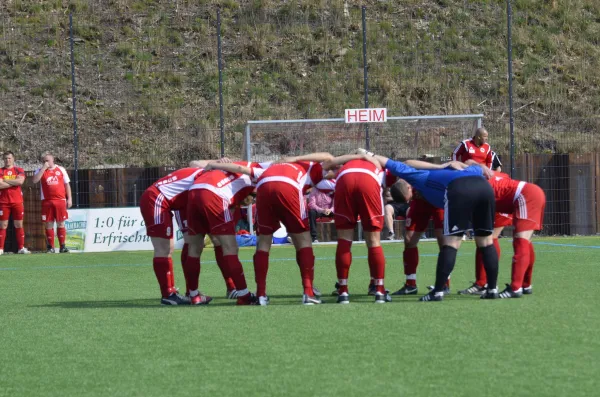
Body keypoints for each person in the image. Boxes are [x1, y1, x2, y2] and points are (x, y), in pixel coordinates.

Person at [359, 149, 500, 301]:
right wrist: (477, 165)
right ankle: (492, 289)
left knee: (450, 244)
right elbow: (477, 168)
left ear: (408, 187)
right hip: (484, 189)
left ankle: (439, 291)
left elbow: (396, 164)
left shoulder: (420, 176)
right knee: (486, 242)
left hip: (459, 190)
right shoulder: (451, 171)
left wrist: (367, 154)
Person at [140, 159, 228, 305]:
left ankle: (188, 292)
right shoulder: (209, 177)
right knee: (165, 248)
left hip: (170, 202)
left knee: (192, 243)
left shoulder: (210, 175)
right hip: (156, 199)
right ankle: (168, 294)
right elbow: (194, 163)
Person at [253, 152, 333, 306]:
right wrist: (297, 158)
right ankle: (308, 291)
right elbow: (328, 157)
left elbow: (240, 168)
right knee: (303, 241)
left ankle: (260, 294)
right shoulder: (313, 168)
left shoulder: (271, 164)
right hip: (289, 186)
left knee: (263, 242)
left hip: (263, 186)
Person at [185, 161, 265, 306]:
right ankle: (244, 295)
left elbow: (194, 163)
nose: (252, 199)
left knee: (194, 248)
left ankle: (193, 295)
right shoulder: (259, 172)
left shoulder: (237, 165)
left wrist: (215, 162)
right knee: (231, 248)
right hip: (214, 194)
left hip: (194, 192)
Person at [324, 153, 393, 304]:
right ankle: (379, 290)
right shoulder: (381, 166)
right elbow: (388, 183)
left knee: (344, 240)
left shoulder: (345, 166)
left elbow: (328, 163)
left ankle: (343, 292)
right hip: (369, 181)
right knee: (374, 241)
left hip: (344, 181)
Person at [486, 171, 545, 298]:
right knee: (525, 241)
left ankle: (515, 288)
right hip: (530, 192)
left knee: (521, 241)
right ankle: (525, 284)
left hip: (525, 195)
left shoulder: (475, 184)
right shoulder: (492, 175)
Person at [32, 152, 72, 253]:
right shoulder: (39, 170)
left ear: (52, 160)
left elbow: (67, 184)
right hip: (47, 201)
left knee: (61, 223)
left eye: (47, 160)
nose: (46, 162)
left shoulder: (61, 169)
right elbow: (35, 180)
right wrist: (43, 169)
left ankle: (63, 246)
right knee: (49, 224)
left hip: (60, 200)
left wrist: (69, 198)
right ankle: (51, 247)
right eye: (44, 161)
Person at [0, 151, 29, 255]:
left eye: (9, 158)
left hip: (17, 202)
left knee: (18, 224)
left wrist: (5, 181)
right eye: (5, 158)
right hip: (3, 202)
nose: (7, 160)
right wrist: (14, 182)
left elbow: (20, 182)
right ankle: (1, 249)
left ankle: (21, 248)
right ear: (3, 160)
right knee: (3, 225)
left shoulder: (19, 170)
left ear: (13, 159)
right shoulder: (0, 171)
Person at [307, 178, 335, 243]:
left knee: (340, 212)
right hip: (319, 211)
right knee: (311, 212)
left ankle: (342, 236)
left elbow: (335, 205)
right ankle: (314, 237)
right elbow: (311, 204)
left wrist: (330, 210)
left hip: (330, 211)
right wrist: (322, 210)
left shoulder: (332, 189)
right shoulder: (314, 190)